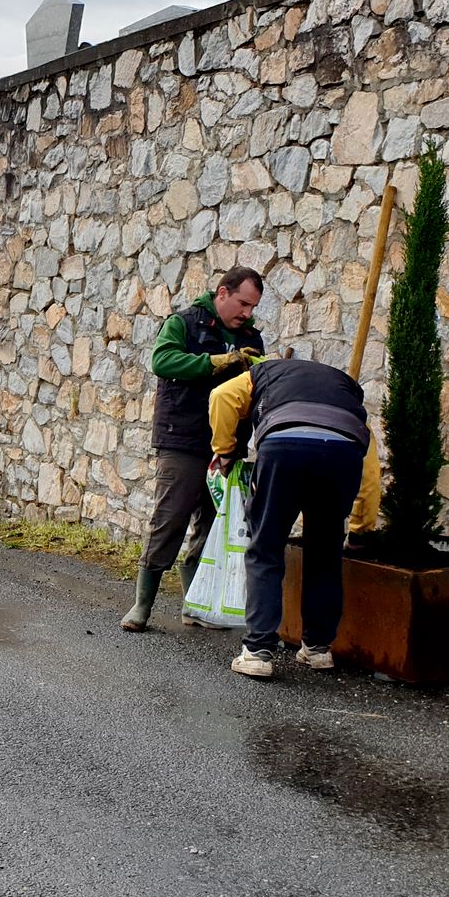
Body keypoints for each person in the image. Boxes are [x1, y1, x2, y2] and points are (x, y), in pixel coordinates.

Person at [206, 355, 382, 679]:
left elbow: (221, 398)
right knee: (325, 552)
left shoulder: (260, 373)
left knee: (265, 548)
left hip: (283, 447)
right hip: (342, 454)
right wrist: (361, 528)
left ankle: (258, 652)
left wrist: (226, 449)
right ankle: (317, 649)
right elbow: (370, 472)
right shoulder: (346, 394)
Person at [120, 267, 268, 631]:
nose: (247, 312)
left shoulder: (251, 338)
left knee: (213, 523)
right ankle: (142, 605)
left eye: (253, 306)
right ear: (222, 293)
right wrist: (215, 362)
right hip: (182, 440)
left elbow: (255, 389)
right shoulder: (183, 323)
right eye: (243, 303)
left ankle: (195, 604)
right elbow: (162, 360)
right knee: (170, 519)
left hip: (227, 444)